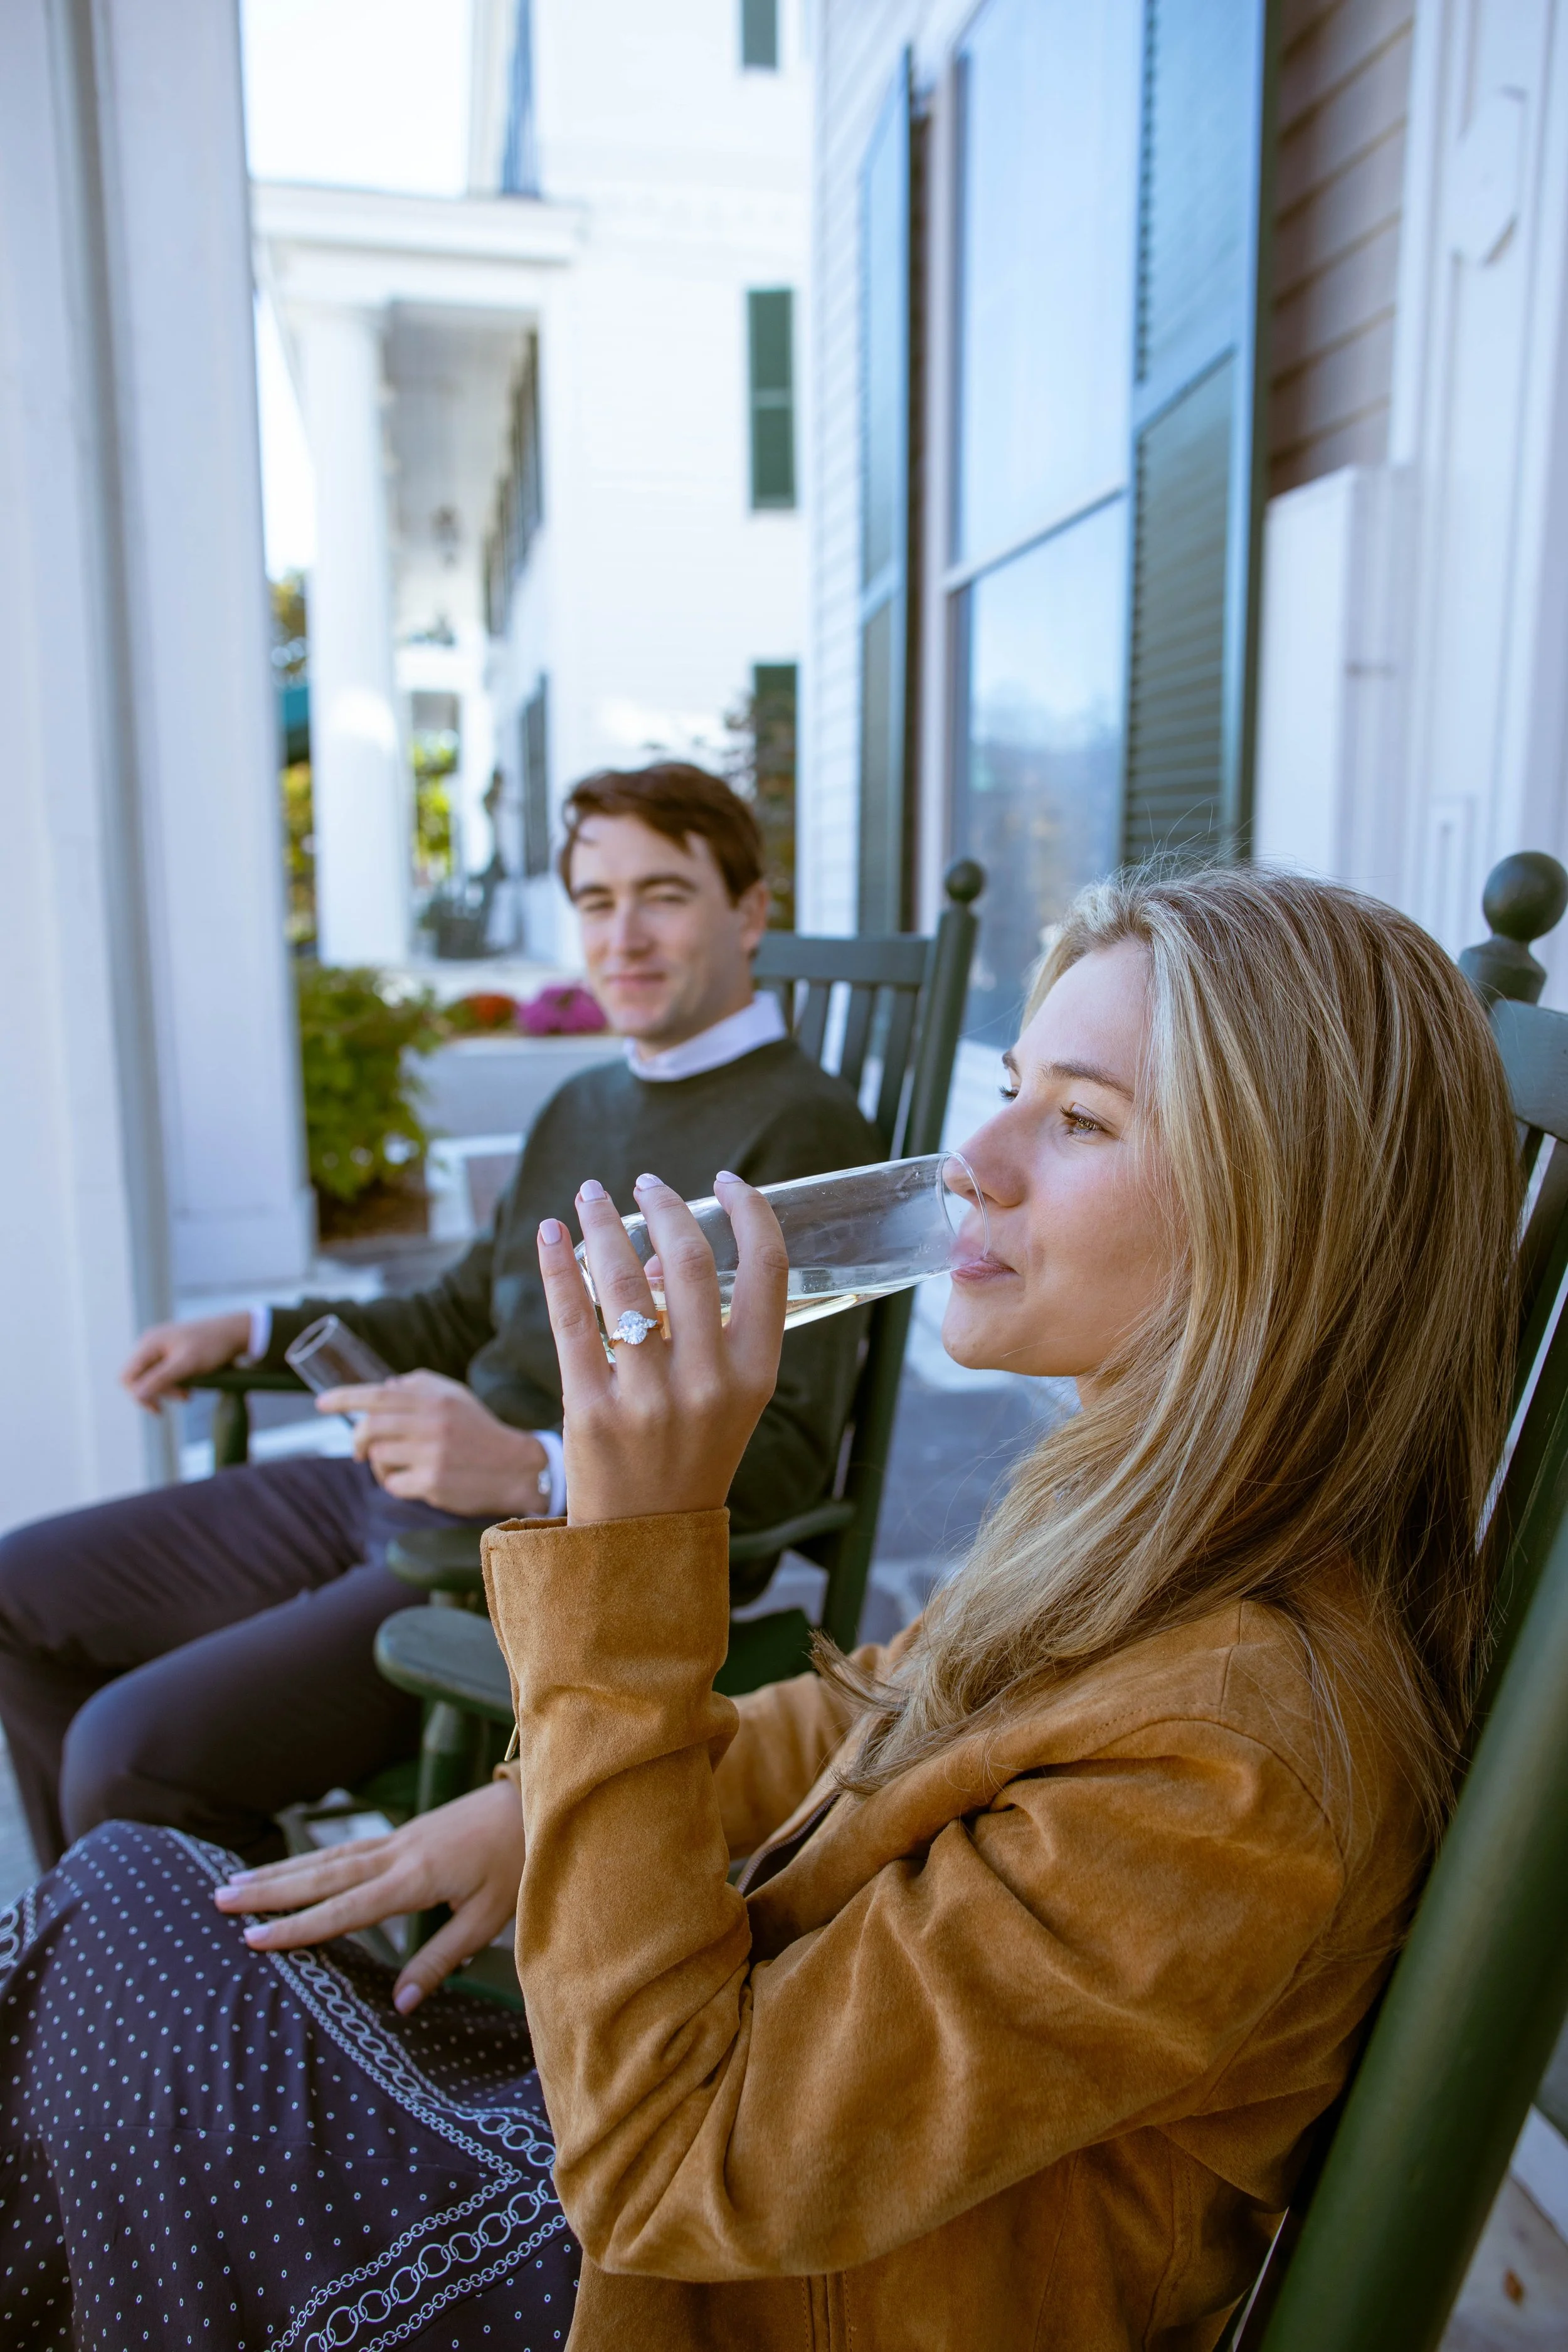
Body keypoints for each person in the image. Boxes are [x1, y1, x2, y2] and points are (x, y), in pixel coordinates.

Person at [0, 867, 1519, 2349]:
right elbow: (874, 1709)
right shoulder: (1150, 1539)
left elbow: (668, 2175)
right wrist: (538, 1804)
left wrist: (633, 1540)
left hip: (696, 2278)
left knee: (129, 1917)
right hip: (690, 2161)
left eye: (1076, 1120)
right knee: (133, 1919)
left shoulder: (1231, 1768)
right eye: (1007, 1086)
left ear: (1285, 1225)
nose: (967, 1165)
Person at [0, 763, 878, 1870]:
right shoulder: (584, 1099)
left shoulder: (802, 1130)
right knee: (20, 1592)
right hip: (405, 1490)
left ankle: (252, 2004)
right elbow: (470, 1304)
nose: (625, 936)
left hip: (537, 1556)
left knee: (124, 1755)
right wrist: (260, 1327)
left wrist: (529, 1467)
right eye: (598, 903)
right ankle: (114, 1953)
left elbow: (790, 1455)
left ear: (749, 911)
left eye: (665, 893)